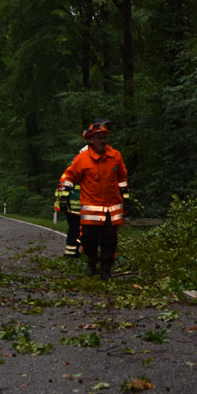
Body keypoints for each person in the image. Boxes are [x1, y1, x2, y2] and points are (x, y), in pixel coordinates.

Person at [56, 120, 128, 280]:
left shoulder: (115, 156)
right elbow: (68, 176)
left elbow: (122, 178)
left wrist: (126, 197)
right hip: (91, 212)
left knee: (110, 241)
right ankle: (92, 260)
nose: (103, 141)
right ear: (91, 140)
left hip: (112, 210)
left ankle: (105, 269)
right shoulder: (82, 159)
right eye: (99, 138)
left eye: (104, 137)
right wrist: (64, 195)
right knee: (89, 241)